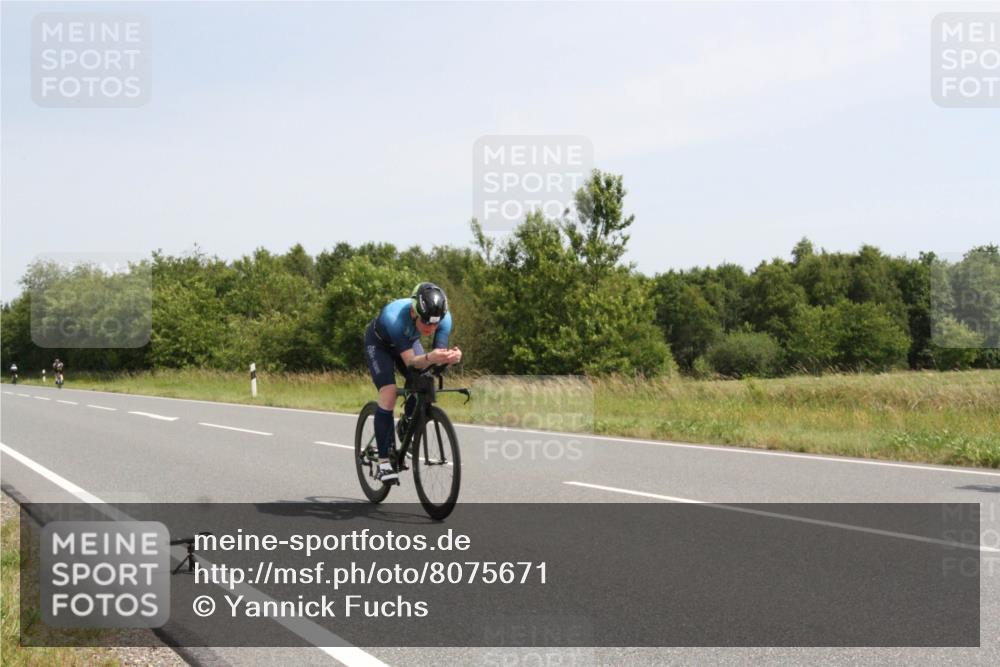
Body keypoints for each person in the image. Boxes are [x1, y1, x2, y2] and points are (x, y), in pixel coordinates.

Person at [364, 283, 462, 483]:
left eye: (435, 324)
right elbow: (411, 362)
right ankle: (383, 463)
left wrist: (449, 358)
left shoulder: (444, 319)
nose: (431, 328)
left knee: (424, 379)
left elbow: (435, 363)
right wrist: (431, 357)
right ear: (413, 312)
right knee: (389, 393)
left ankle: (406, 423)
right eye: (426, 323)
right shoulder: (394, 318)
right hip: (380, 346)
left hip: (407, 343)